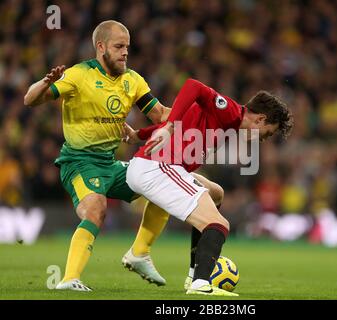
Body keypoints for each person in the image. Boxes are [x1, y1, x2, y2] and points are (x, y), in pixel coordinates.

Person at [23, 20, 174, 291]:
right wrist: (46, 82)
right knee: (96, 208)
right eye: (118, 46)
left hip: (109, 164)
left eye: (127, 46)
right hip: (79, 163)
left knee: (163, 183)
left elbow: (161, 114)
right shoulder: (79, 75)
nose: (125, 52)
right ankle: (69, 279)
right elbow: (30, 100)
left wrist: (201, 113)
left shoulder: (133, 80)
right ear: (101, 47)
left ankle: (139, 253)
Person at [123, 78, 293, 295]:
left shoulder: (227, 122)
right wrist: (169, 125)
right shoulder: (230, 110)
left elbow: (184, 120)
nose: (263, 139)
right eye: (267, 133)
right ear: (261, 119)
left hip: (162, 167)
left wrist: (139, 135)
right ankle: (200, 284)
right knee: (219, 224)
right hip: (157, 167)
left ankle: (194, 274)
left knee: (216, 194)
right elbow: (193, 86)